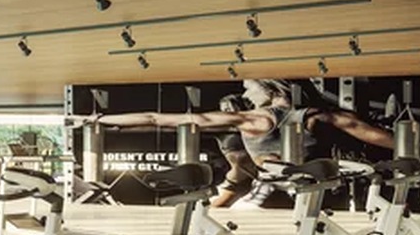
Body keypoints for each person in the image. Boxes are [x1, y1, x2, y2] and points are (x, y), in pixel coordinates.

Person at [75, 79, 395, 206]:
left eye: (249, 88)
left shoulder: (253, 120)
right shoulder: (315, 115)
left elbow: (156, 118)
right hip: (306, 191)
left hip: (271, 190)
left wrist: (101, 120)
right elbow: (362, 128)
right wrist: (409, 152)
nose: (245, 94)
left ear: (270, 91)